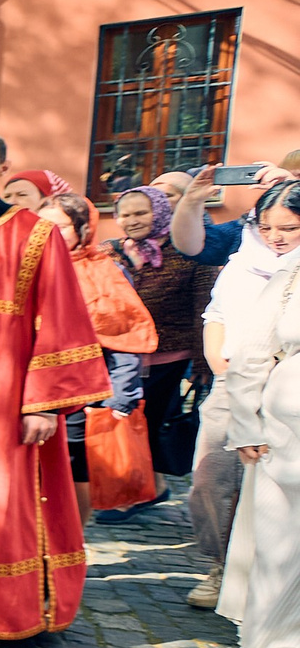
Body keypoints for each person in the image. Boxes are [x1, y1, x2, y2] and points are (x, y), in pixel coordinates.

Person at [0, 130, 108, 638]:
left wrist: (43, 404)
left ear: (2, 173)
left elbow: (59, 317)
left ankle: (0, 615)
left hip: (4, 400)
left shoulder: (34, 234)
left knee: (1, 501)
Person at [220, 183, 300, 648]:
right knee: (283, 537)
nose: (277, 239)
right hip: (289, 424)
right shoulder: (291, 274)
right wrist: (246, 424)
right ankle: (284, 645)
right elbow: (250, 349)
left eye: (288, 229)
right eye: (268, 228)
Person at [52, 192, 158, 533]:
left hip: (79, 392)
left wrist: (121, 395)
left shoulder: (104, 272)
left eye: (61, 226)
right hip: (25, 390)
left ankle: (72, 542)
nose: (51, 233)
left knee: (73, 471)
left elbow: (124, 336)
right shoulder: (21, 265)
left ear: (83, 229)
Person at [113, 183, 209, 481]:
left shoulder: (190, 250)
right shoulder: (111, 251)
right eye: (125, 214)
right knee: (122, 422)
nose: (133, 220)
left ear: (161, 211)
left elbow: (202, 307)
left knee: (152, 424)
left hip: (169, 356)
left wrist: (203, 361)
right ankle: (134, 486)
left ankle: (146, 487)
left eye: (142, 212)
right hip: (121, 357)